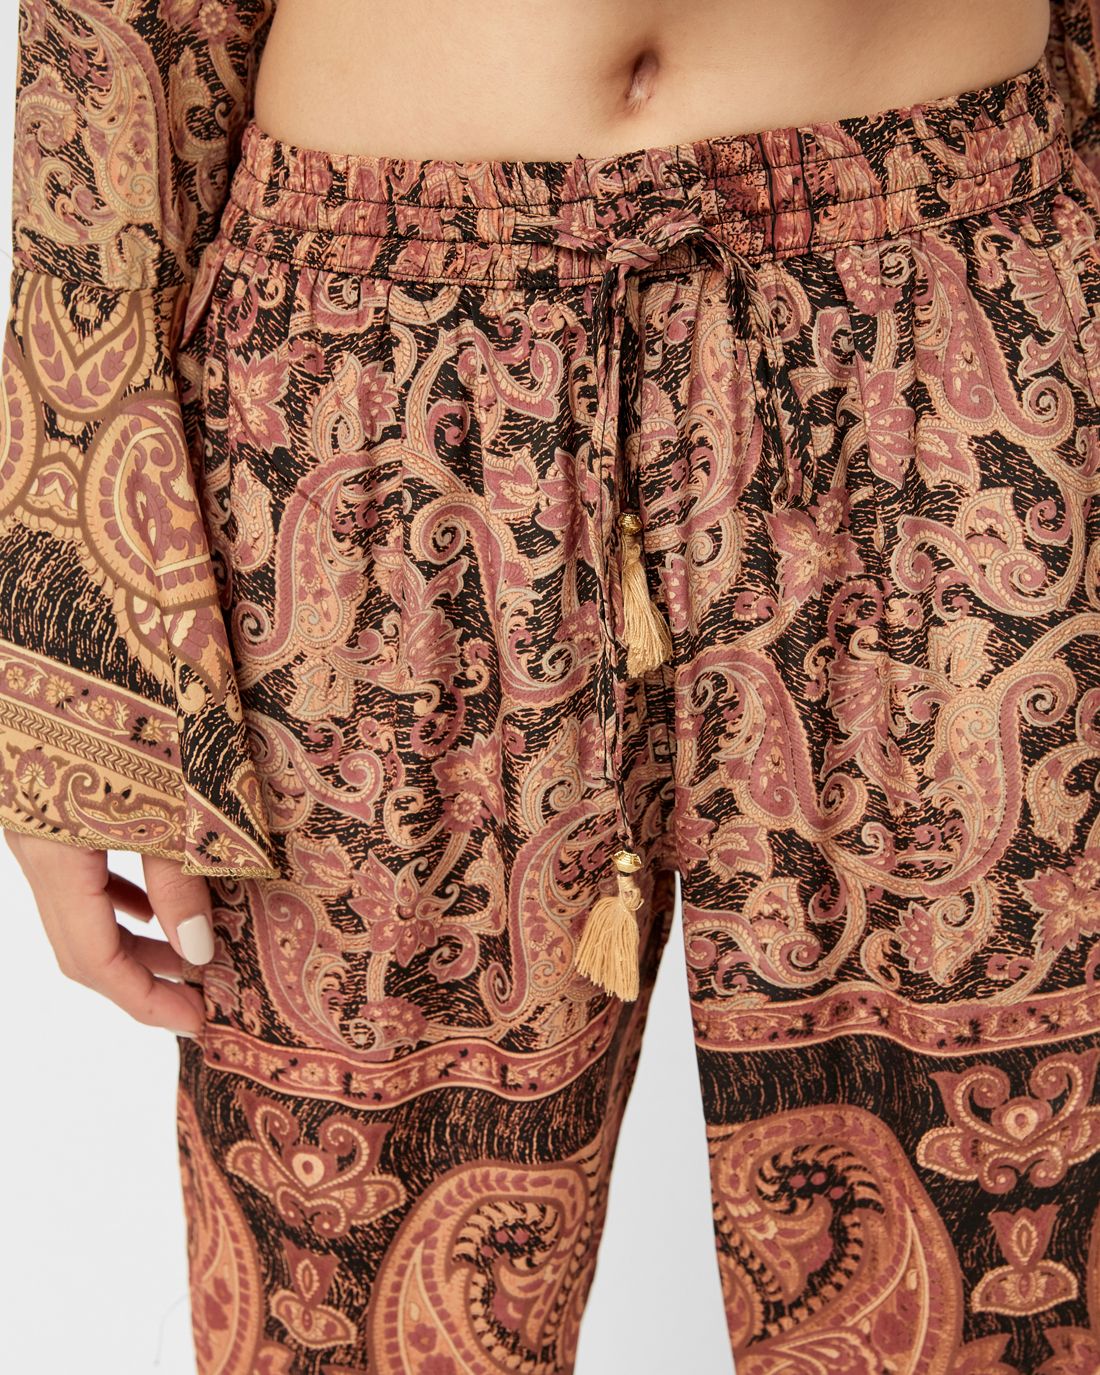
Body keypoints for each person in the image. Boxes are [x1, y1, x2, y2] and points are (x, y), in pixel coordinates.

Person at [2, 0, 1099, 1370]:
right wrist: (77, 672)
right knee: (351, 1310)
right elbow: (114, 47)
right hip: (367, 410)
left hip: (946, 347)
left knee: (1007, 1275)